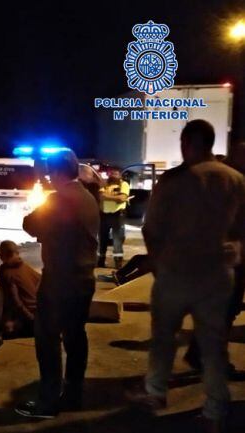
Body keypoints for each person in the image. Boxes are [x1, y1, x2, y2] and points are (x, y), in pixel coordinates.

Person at [127, 120, 245, 432]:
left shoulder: (173, 181)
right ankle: (215, 410)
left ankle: (155, 393)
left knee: (164, 338)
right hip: (218, 275)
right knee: (213, 345)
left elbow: (152, 228)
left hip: (177, 273)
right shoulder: (235, 180)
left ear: (187, 144)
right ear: (210, 143)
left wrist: (160, 262)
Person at [15, 149, 99, 419]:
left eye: (50, 172)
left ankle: (48, 402)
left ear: (59, 172)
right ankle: (73, 395)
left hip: (60, 282)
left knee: (48, 341)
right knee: (76, 338)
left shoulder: (59, 199)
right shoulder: (88, 197)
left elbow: (29, 224)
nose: (49, 177)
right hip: (84, 279)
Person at [0, 240, 40, 337]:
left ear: (1, 256)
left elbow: (15, 302)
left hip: (28, 318)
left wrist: (31, 320)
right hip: (41, 314)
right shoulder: (26, 267)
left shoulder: (6, 274)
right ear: (17, 252)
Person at [98, 168, 130, 268]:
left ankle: (118, 263)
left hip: (117, 215)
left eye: (116, 173)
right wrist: (116, 198)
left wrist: (107, 196)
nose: (113, 175)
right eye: (111, 173)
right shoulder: (104, 184)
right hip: (104, 215)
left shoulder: (124, 184)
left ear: (120, 175)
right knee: (102, 239)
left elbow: (122, 198)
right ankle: (100, 261)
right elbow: (101, 197)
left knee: (117, 240)